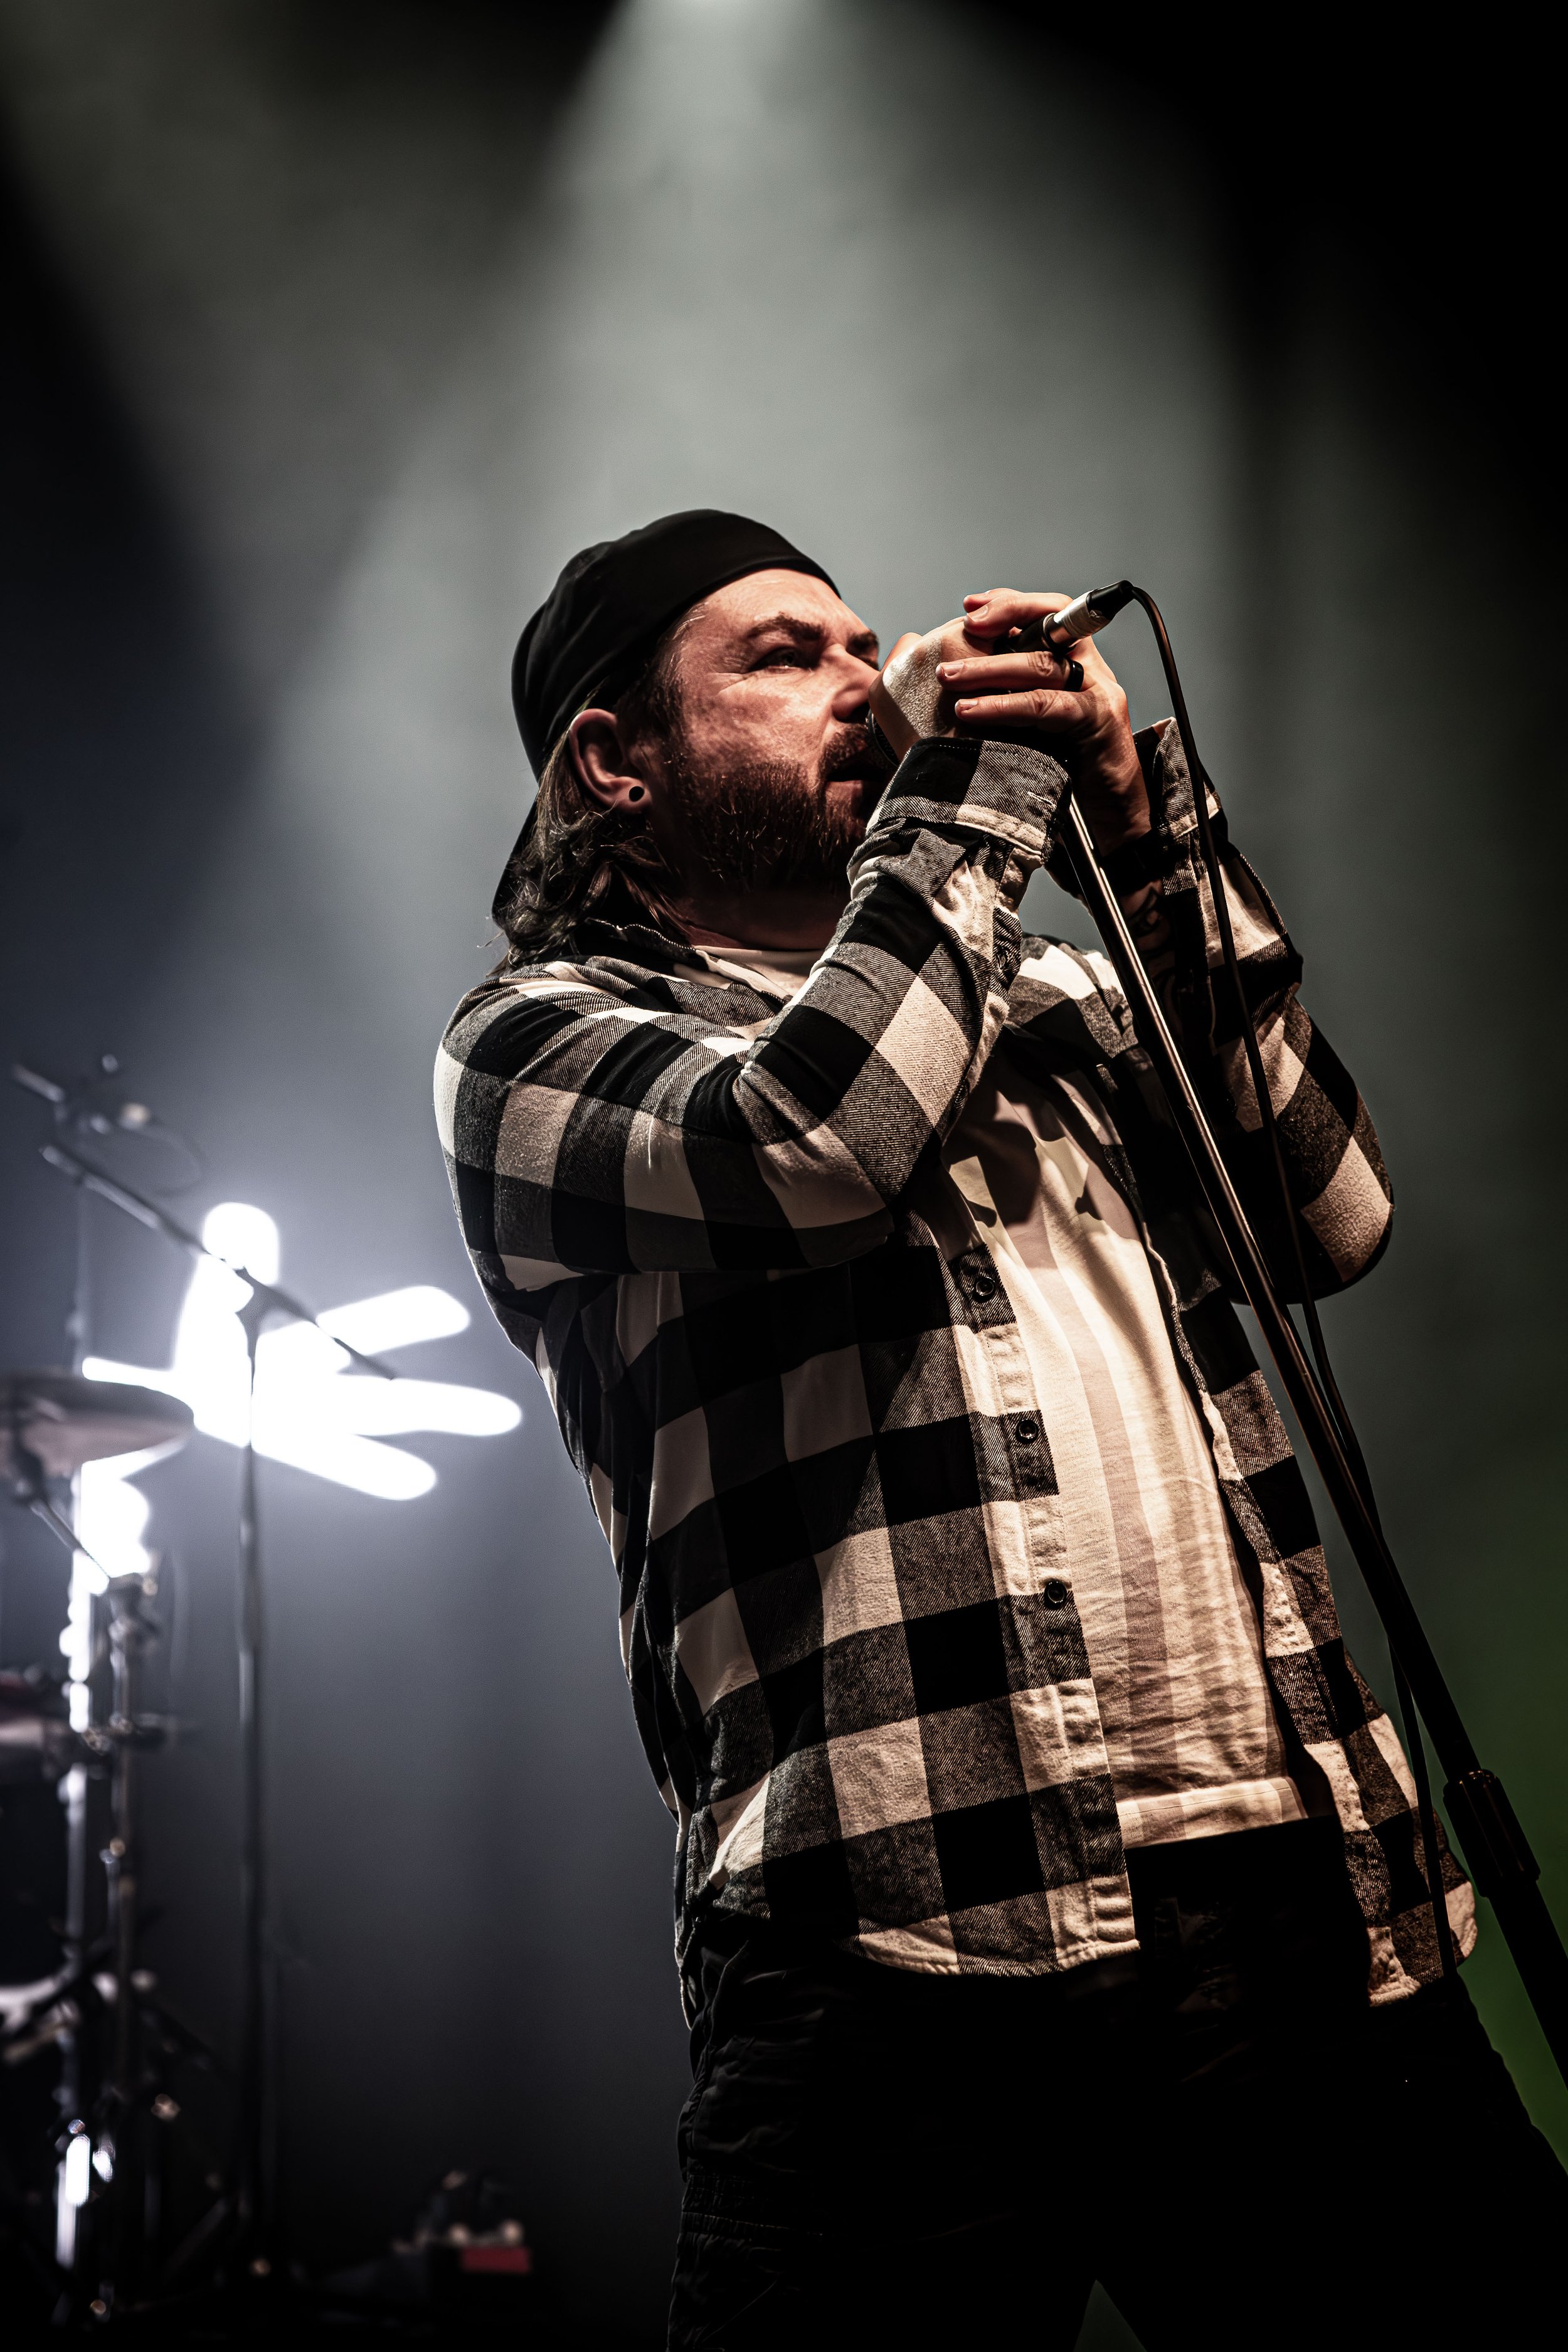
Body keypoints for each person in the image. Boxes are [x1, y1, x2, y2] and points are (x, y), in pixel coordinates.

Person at [435, 511, 1564, 2346]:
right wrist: (967, 793)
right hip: (887, 1942)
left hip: (1287, 1886)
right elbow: (823, 1135)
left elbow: (1331, 1218)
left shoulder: (1052, 996)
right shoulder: (536, 1043)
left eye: (857, 642)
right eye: (782, 657)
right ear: (614, 762)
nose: (859, 680)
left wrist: (1144, 827)